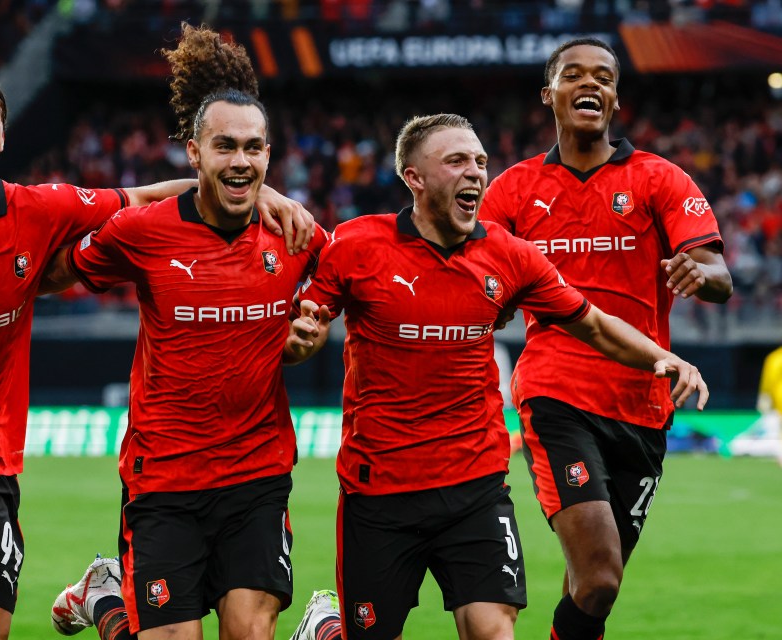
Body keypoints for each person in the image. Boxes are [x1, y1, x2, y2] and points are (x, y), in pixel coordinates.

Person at [0, 63, 311, 640]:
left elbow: (147, 195)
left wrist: (257, 188)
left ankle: (99, 604)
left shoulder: (41, 210)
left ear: (3, 135)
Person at [283, 113, 708, 640]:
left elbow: (593, 324)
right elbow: (307, 321)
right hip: (380, 490)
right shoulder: (356, 245)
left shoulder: (509, 256)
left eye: (481, 162)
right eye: (457, 161)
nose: (476, 173)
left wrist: (663, 358)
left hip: (475, 485)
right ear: (413, 177)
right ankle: (325, 628)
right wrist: (302, 337)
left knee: (494, 629)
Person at [41, 24, 328, 640]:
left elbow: (350, 294)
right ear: (193, 153)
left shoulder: (297, 235)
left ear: (269, 156)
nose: (240, 160)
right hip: (164, 478)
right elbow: (51, 271)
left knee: (248, 630)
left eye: (254, 148)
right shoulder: (143, 232)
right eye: (224, 146)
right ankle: (107, 599)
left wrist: (316, 329)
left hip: (257, 473)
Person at [477, 38, 732, 639]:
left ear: (615, 98)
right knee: (600, 577)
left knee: (588, 589)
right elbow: (476, 281)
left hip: (642, 406)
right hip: (556, 392)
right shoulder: (513, 190)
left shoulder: (659, 179)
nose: (589, 83)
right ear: (550, 94)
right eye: (573, 74)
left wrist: (704, 272)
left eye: (603, 77)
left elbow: (719, 273)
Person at [729, 345, 782, 461]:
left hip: (776, 415)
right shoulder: (775, 358)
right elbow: (767, 389)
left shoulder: (775, 358)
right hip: (777, 415)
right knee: (737, 446)